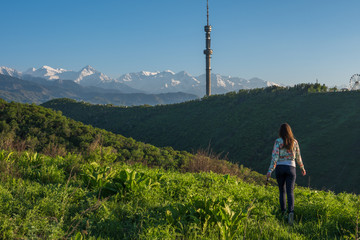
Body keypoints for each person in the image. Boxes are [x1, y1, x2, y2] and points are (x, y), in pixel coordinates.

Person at [266, 123, 306, 225]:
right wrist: (302, 168)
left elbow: (274, 157)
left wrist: (270, 171)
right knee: (290, 192)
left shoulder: (278, 142)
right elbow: (298, 157)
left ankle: (283, 213)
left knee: (282, 192)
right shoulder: (295, 142)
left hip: (280, 168)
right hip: (291, 168)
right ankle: (291, 214)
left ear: (280, 132)